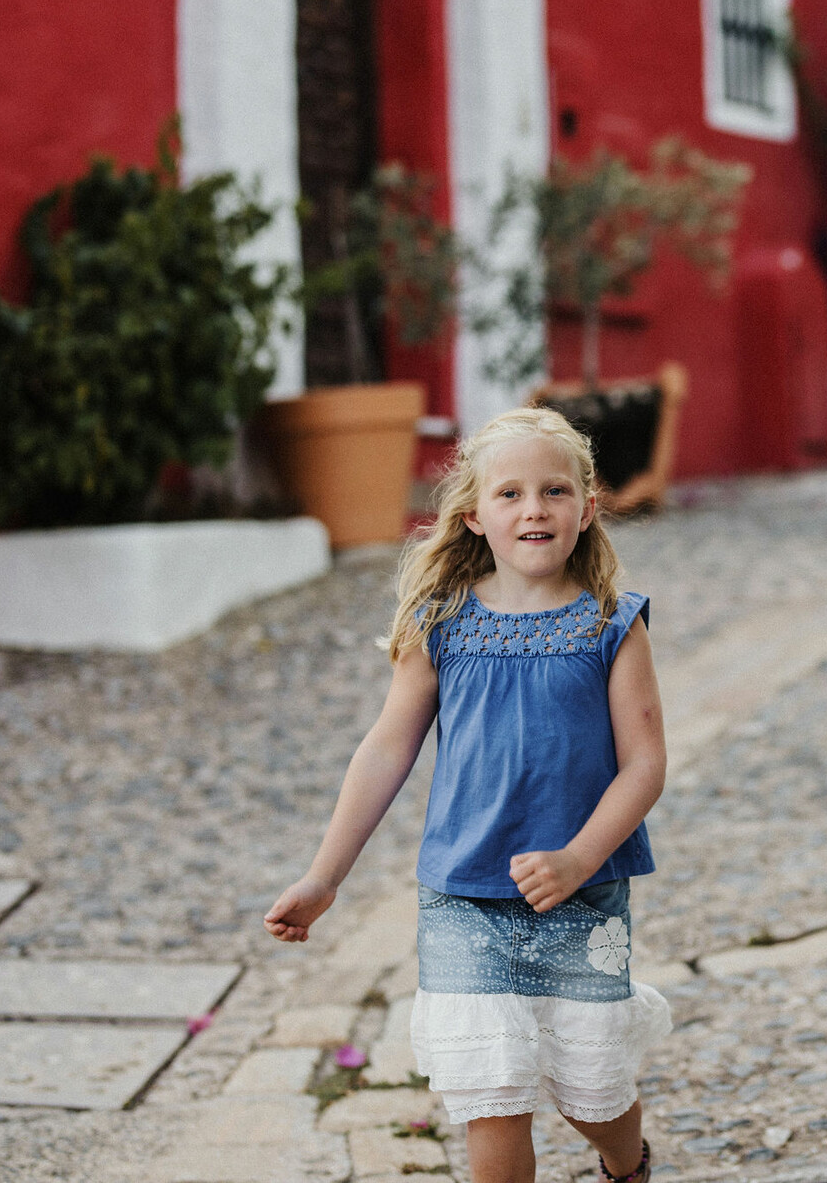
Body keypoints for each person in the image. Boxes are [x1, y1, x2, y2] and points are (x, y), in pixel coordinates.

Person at [265, 407, 669, 1183]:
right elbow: (386, 750)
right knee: (491, 1092)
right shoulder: (441, 622)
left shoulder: (613, 623)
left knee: (592, 1091)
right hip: (462, 899)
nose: (533, 508)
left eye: (553, 491)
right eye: (509, 493)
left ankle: (628, 1164)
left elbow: (645, 764)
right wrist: (324, 876)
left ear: (586, 509)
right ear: (476, 515)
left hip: (581, 899)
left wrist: (581, 857)